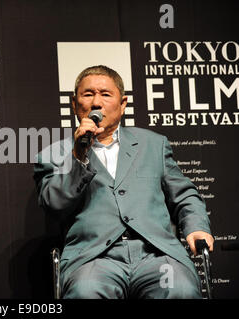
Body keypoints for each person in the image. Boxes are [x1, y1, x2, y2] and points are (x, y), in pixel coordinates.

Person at [33, 65, 214, 299]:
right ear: (74, 103)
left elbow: (185, 195)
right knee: (85, 292)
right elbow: (53, 205)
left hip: (155, 255)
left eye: (105, 94)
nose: (96, 102)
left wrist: (197, 227)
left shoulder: (153, 144)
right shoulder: (52, 155)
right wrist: (79, 157)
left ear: (123, 103)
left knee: (179, 288)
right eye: (88, 94)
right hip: (94, 259)